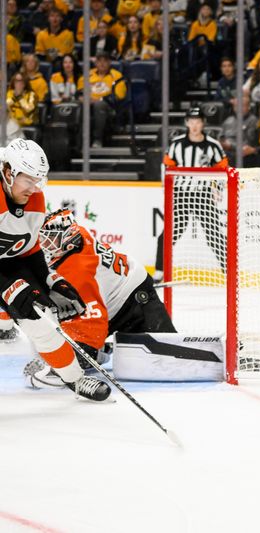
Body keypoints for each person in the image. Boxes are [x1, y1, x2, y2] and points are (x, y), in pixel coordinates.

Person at [0, 139, 110, 401]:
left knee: (42, 322)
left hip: (6, 262)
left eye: (38, 180)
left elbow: (27, 249)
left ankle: (75, 379)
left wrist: (51, 280)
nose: (34, 188)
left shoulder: (34, 200)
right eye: (28, 180)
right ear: (8, 173)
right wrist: (11, 288)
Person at [22, 209, 177, 387]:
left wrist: (82, 354)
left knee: (168, 356)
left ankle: (98, 351)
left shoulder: (78, 271)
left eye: (49, 240)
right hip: (112, 296)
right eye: (42, 239)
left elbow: (93, 324)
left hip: (135, 299)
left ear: (67, 240)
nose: (44, 245)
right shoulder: (76, 234)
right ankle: (102, 350)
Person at [154, 107, 229, 282]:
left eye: (198, 121)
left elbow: (222, 168)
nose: (195, 125)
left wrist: (218, 189)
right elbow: (166, 167)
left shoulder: (213, 145)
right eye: (191, 121)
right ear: (187, 123)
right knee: (168, 234)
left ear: (203, 123)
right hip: (181, 195)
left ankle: (228, 271)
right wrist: (167, 189)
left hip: (202, 195)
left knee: (214, 234)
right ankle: (160, 270)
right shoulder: (177, 144)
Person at [77, 50, 127, 148]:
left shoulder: (116, 76)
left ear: (109, 63)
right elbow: (79, 92)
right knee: (77, 105)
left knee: (99, 105)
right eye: (99, 61)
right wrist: (81, 98)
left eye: (105, 61)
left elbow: (118, 97)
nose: (102, 63)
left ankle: (97, 139)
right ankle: (78, 141)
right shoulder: (88, 75)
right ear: (95, 63)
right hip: (88, 104)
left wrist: (100, 99)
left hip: (108, 107)